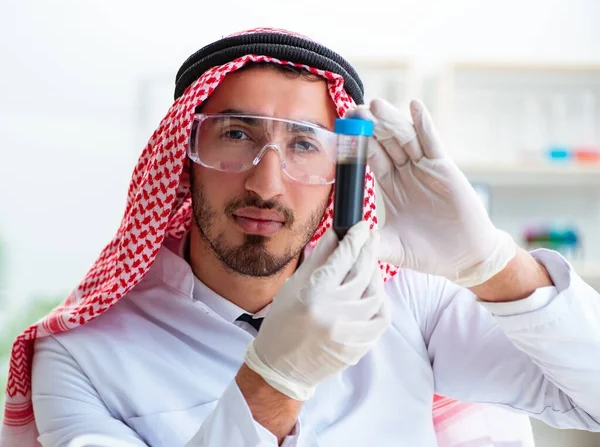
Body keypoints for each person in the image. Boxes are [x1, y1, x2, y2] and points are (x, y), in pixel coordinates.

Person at [2, 27, 599, 447]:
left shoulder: (410, 303)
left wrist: (492, 264)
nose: (267, 183)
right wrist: (271, 386)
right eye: (235, 135)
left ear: (342, 171)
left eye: (305, 145)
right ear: (183, 158)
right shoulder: (81, 355)